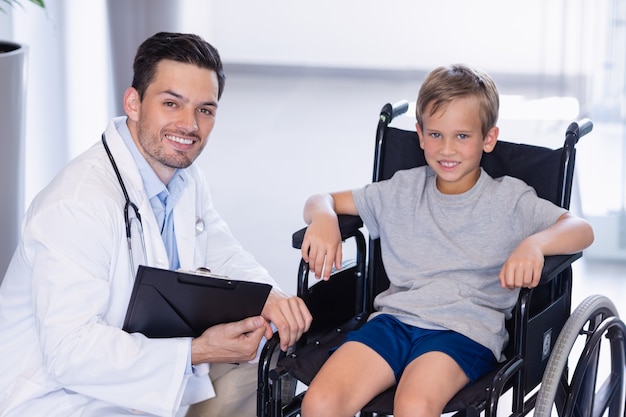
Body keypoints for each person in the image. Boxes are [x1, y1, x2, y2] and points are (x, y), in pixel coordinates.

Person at [0, 32, 311, 417]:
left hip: (144, 377)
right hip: (62, 400)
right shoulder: (77, 204)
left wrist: (267, 296)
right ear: (133, 103)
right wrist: (199, 350)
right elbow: (68, 353)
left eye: (205, 110)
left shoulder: (182, 176)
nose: (189, 125)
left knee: (267, 360)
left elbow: (217, 243)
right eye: (171, 104)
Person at [298, 64, 594, 417]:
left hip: (464, 330)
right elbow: (320, 199)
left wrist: (535, 244)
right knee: (319, 402)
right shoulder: (401, 190)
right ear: (420, 135)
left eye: (462, 136)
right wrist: (324, 219)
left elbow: (580, 229)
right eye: (436, 135)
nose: (447, 149)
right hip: (393, 321)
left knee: (414, 406)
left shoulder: (510, 200)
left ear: (488, 138)